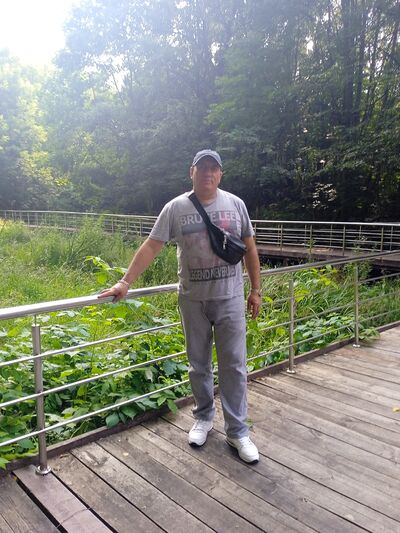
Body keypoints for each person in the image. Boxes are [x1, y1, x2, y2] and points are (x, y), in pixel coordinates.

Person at [99, 149, 262, 463]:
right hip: (192, 300)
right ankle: (203, 417)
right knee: (198, 364)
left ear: (220, 174)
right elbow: (152, 246)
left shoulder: (236, 204)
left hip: (230, 298)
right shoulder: (175, 207)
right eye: (202, 168)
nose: (208, 173)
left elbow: (250, 249)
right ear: (192, 172)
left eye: (213, 168)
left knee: (234, 366)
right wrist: (125, 282)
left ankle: (238, 432)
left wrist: (256, 290)